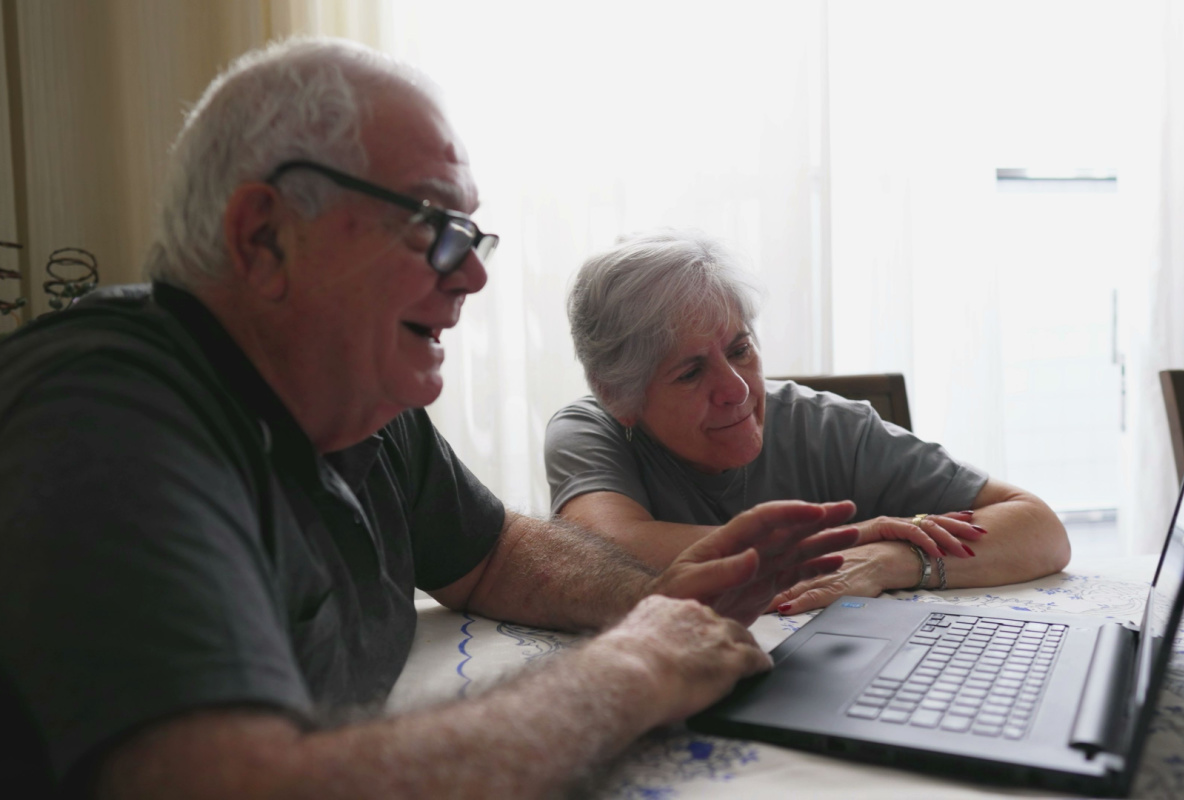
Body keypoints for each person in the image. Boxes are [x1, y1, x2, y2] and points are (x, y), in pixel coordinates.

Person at [0, 40, 863, 799]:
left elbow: (494, 553)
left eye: (471, 237)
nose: (472, 278)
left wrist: (657, 603)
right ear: (265, 238)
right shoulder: (103, 414)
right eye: (431, 225)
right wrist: (634, 666)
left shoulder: (360, 406)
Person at [545, 229, 1072, 616]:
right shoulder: (592, 431)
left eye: (740, 349)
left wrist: (888, 560)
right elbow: (605, 547)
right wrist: (851, 537)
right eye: (690, 372)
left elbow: (1039, 530)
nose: (738, 389)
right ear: (620, 395)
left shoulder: (829, 428)